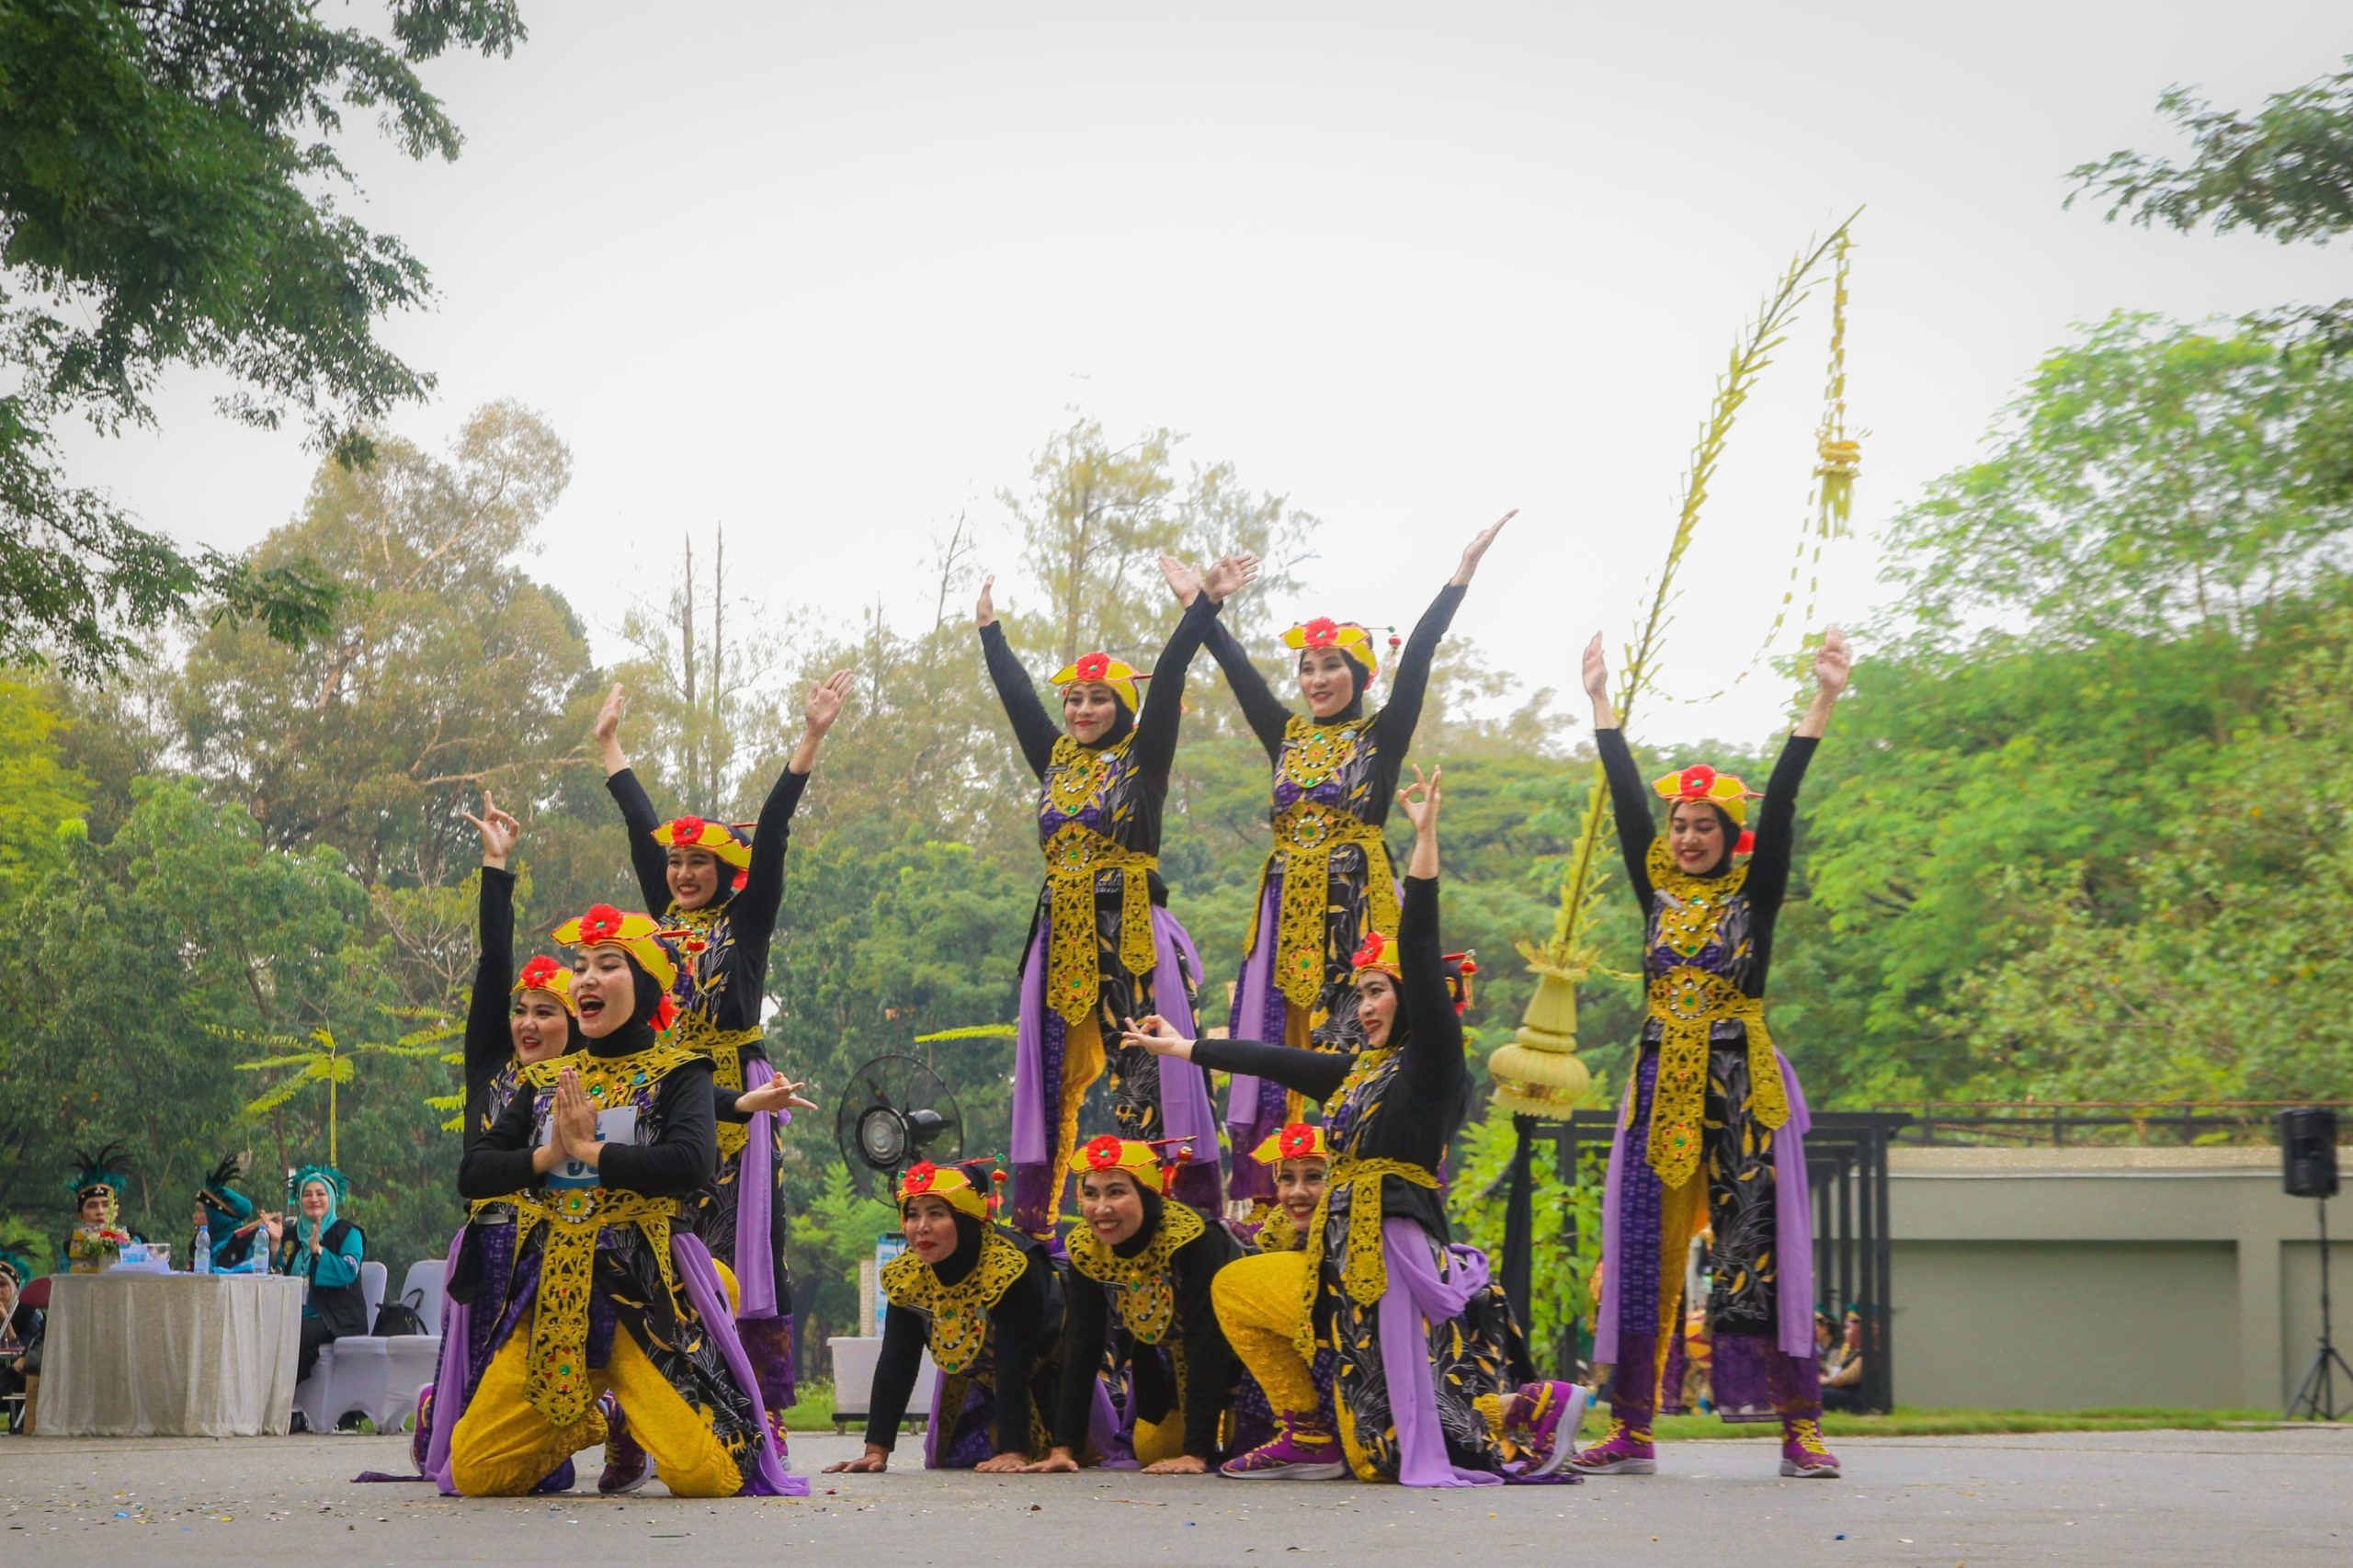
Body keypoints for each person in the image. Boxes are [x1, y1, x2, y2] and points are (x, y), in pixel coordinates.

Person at [1125, 767, 1584, 1485]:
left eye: (1377, 992)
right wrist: (1183, 1047)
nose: (1364, 1007)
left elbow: (1422, 952)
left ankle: (1524, 1410)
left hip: (1389, 1250)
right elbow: (1276, 1059)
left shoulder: (1430, 1064)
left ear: (1411, 996)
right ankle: (1307, 1432)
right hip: (1336, 1261)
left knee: (1383, 1455)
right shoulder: (1359, 1072)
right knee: (1240, 1291)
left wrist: (1423, 843)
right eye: (1360, 994)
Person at [1162, 516, 1513, 1208]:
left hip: (1359, 907)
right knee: (1276, 1049)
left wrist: (1461, 572)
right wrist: (1201, 605)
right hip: (1283, 907)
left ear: (1358, 674)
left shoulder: (1380, 737)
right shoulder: (1285, 733)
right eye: (1308, 667)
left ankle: (1371, 1186)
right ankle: (1273, 1204)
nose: (1317, 678)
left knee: (1356, 1053)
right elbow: (1232, 668)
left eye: (1332, 666)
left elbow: (1420, 656)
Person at [1568, 628, 1851, 1482]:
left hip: (1740, 1085)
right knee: (1643, 1252)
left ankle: (1801, 1430)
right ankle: (1634, 1429)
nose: (1687, 838)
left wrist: (1825, 698)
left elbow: (1785, 801)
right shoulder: (1655, 890)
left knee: (1752, 1251)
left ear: (1730, 835)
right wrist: (1600, 705)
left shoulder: (1752, 897)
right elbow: (1623, 800)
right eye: (1680, 825)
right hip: (1659, 1085)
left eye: (1703, 827)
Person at [441, 903, 798, 1498]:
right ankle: (590, 1419)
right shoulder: (545, 1081)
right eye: (580, 966)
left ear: (645, 984)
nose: (587, 979)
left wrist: (593, 1150)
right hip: (552, 1295)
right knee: (475, 1473)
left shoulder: (680, 1072)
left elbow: (690, 1165)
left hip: (644, 1295)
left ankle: (668, 1395)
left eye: (609, 965)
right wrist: (549, 1156)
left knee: (709, 1477)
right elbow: (474, 1172)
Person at [597, 672, 850, 1451]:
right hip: (668, 1091)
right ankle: (642, 1412)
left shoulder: (748, 918)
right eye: (674, 865)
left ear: (725, 873)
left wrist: (808, 740)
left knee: (747, 1249)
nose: (680, 873)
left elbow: (772, 831)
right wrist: (609, 747)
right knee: (653, 1240)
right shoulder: (660, 925)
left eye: (696, 863)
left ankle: (761, 1407)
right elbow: (643, 824)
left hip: (742, 1090)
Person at [980, 558, 1255, 1231]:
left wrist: (1202, 607)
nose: (1081, 710)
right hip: (1060, 937)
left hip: (1130, 934)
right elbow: (1017, 695)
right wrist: (990, 631)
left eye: (1098, 699)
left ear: (1123, 708)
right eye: (1074, 699)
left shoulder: (1143, 758)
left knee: (1147, 1072)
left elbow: (1170, 678)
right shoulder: (1053, 758)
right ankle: (1039, 1225)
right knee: (1045, 1080)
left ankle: (1173, 1215)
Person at [823, 1159, 1065, 1474]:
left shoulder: (1013, 1266)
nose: (921, 1227)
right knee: (951, 1462)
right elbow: (898, 1360)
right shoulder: (907, 1276)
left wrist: (1013, 1450)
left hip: (1047, 1373)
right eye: (913, 1214)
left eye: (936, 1214)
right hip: (971, 1379)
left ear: (967, 1218)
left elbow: (1014, 1359)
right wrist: (875, 1450)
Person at [1027, 1136, 1239, 1475]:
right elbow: (1083, 1345)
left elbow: (1206, 1339)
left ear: (1148, 1194)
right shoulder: (1085, 1246)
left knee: (1237, 1450)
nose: (1101, 1209)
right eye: (1091, 1193)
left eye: (1116, 1192)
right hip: (1163, 1368)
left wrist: (1195, 1453)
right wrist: (1063, 1449)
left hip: (1233, 1363)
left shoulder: (1196, 1238)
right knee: (1152, 1451)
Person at [267, 1165, 367, 1390]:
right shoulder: (290, 1235)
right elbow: (277, 1275)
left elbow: (348, 1272)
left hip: (336, 1317)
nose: (314, 1199)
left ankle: (284, 1402)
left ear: (331, 1198)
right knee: (262, 1330)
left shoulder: (348, 1233)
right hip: (294, 1313)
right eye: (307, 1194)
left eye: (320, 1194)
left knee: (294, 1333)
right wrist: (274, 1245)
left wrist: (318, 1252)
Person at [63, 1145, 138, 1273]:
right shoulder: (69, 1249)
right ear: (80, 1215)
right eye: (92, 1206)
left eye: (105, 1205)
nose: (100, 1211)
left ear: (116, 1210)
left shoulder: (133, 1241)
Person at [191, 1154, 264, 1272]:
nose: (194, 1216)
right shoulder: (201, 1245)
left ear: (217, 1217)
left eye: (200, 1211)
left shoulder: (241, 1247)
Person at [1, 1246, 42, 1432]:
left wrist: (7, 1324)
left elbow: (31, 1353)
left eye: (2, 1284)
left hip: (19, 1378)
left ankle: (19, 1425)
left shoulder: (29, 1313)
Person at [1820, 1309, 1866, 1414]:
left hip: (1852, 1398)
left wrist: (1824, 1380)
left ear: (1858, 1331)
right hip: (1838, 1391)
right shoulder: (1849, 1352)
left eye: (1847, 1328)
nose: (1845, 1333)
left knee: (1817, 1394)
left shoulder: (1863, 1355)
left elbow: (1842, 1379)